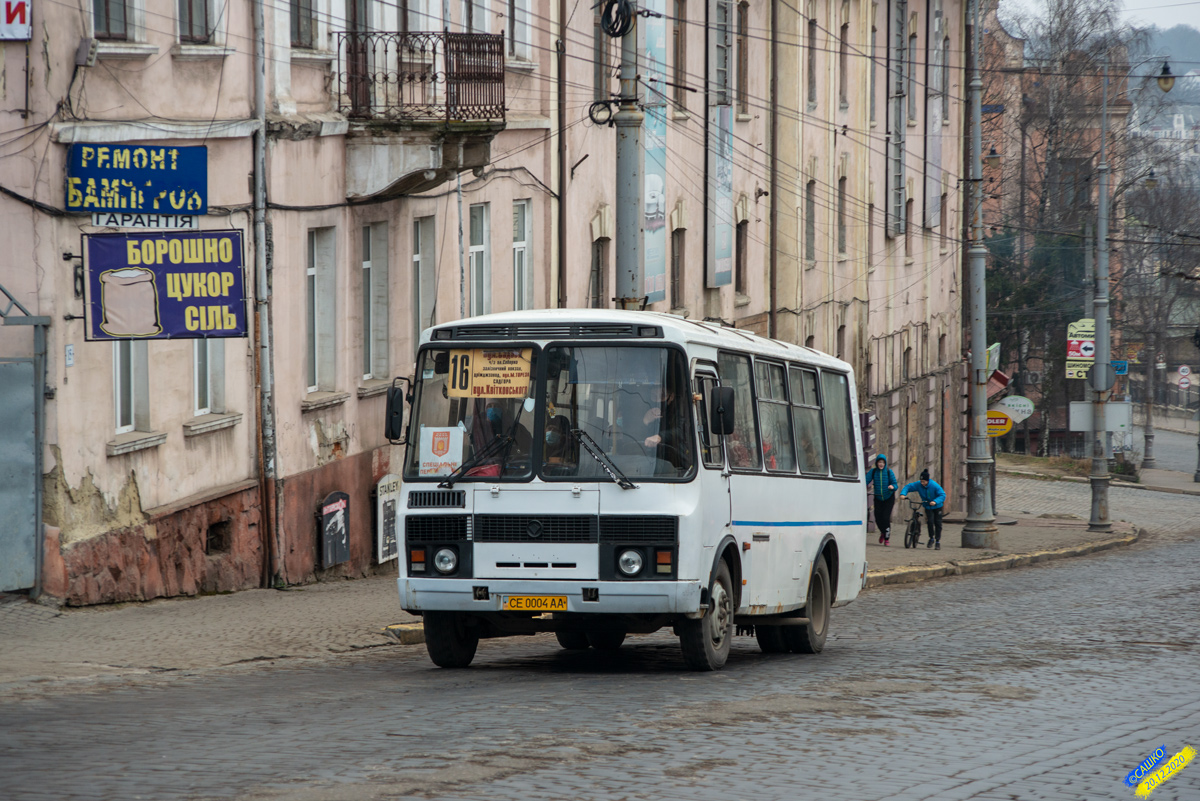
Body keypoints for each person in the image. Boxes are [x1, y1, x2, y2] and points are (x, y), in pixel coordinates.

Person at [900, 469, 947, 550]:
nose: (922, 483)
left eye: (924, 481)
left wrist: (935, 501)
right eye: (921, 481)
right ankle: (931, 538)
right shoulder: (919, 484)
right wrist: (903, 494)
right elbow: (908, 487)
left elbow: (942, 495)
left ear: (928, 480)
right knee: (930, 521)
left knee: (938, 523)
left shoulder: (934, 486)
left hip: (937, 506)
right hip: (927, 506)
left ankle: (937, 541)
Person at [865, 454, 898, 545]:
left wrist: (892, 487)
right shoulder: (873, 471)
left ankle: (887, 539)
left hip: (888, 498)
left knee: (885, 517)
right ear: (877, 463)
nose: (881, 464)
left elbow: (895, 484)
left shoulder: (889, 472)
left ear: (885, 463)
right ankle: (883, 532)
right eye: (879, 462)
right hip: (878, 497)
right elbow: (865, 481)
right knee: (878, 518)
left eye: (883, 462)